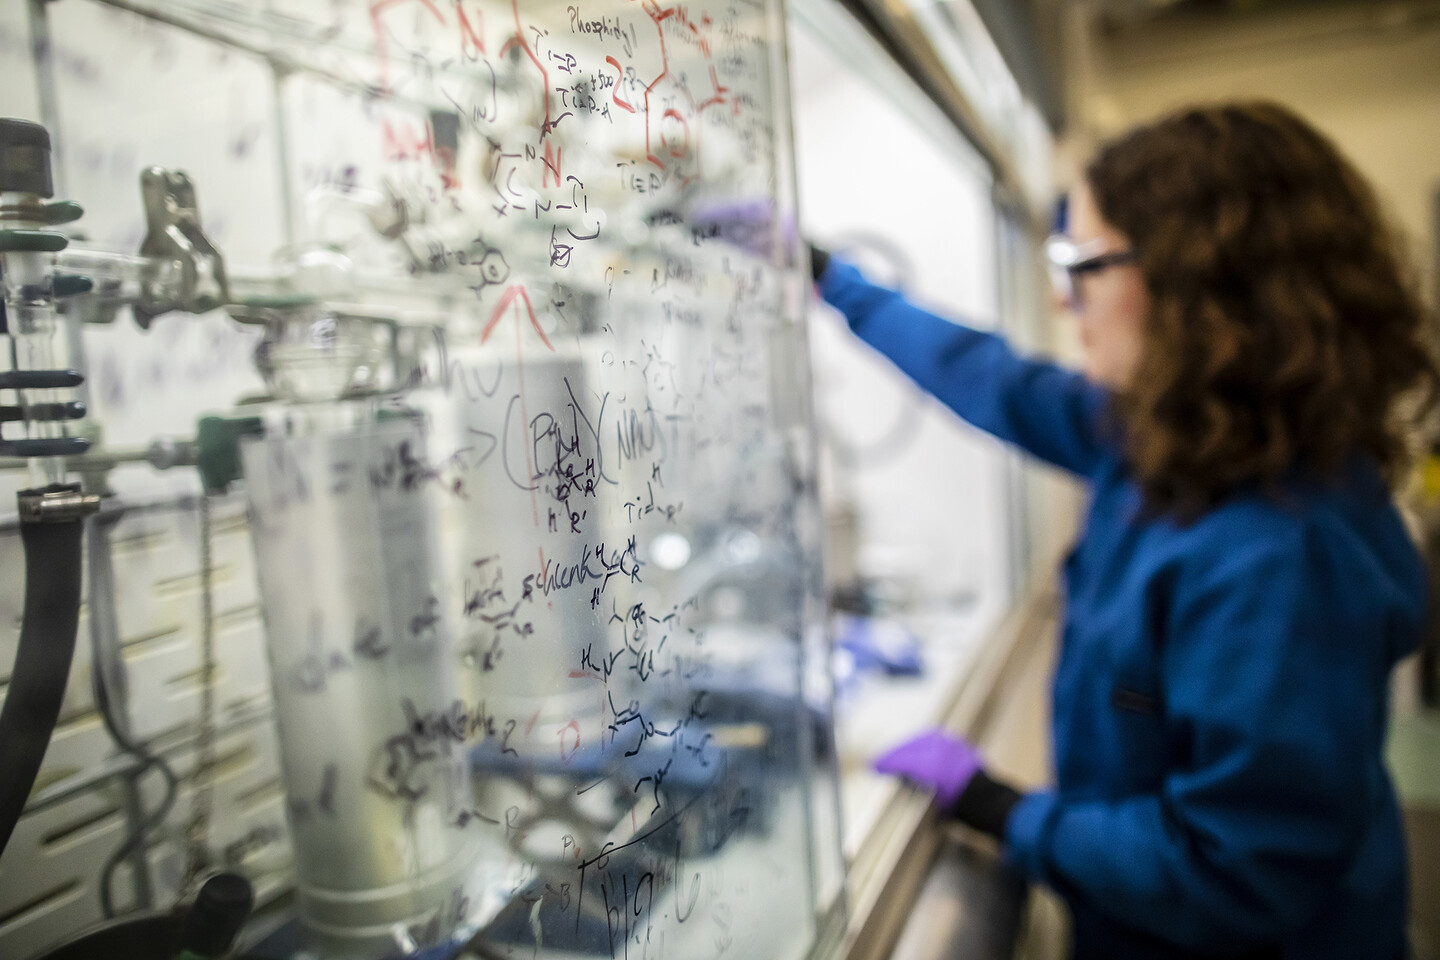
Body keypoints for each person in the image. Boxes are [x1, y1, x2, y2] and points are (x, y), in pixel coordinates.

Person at [818, 102, 1439, 959]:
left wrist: (1003, 810)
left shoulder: (1282, 554)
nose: (1059, 295)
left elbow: (1235, 871)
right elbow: (997, 381)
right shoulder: (1178, 433)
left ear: (1197, 282)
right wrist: (829, 279)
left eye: (1081, 263)